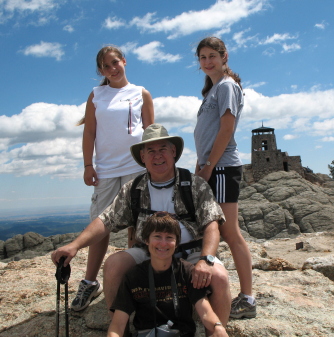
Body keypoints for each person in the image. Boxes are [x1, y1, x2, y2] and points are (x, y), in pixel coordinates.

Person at [51, 124, 231, 329]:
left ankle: (216, 333)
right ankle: (121, 330)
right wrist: (74, 246)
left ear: (173, 152)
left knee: (218, 276)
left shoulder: (194, 184)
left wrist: (205, 259)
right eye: (150, 151)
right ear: (142, 157)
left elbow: (212, 224)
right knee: (113, 265)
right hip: (147, 252)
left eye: (163, 149)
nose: (157, 156)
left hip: (191, 253)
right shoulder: (134, 188)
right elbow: (106, 220)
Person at [72, 45, 155, 312]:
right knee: (100, 227)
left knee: (137, 226)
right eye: (106, 66)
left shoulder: (141, 93)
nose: (112, 69)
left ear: (124, 61)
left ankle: (135, 281)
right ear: (101, 71)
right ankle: (89, 282)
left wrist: (153, 165)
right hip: (106, 170)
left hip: (136, 167)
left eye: (115, 62)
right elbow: (89, 133)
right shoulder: (97, 94)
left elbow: (151, 134)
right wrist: (88, 164)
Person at [194, 36, 255, 319]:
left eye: (211, 56)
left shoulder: (227, 86)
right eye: (202, 58)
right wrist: (200, 163)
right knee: (217, 228)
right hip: (213, 166)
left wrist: (208, 166)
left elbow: (226, 130)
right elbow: (208, 133)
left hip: (222, 168)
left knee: (229, 232)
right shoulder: (213, 89)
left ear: (224, 56)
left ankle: (247, 299)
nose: (207, 62)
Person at [107, 212, 228, 337]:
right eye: (157, 236)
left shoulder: (186, 271)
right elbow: (118, 325)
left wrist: (217, 327)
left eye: (169, 237)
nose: (163, 243)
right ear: (146, 240)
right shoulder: (134, 276)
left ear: (176, 243)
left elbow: (205, 312)